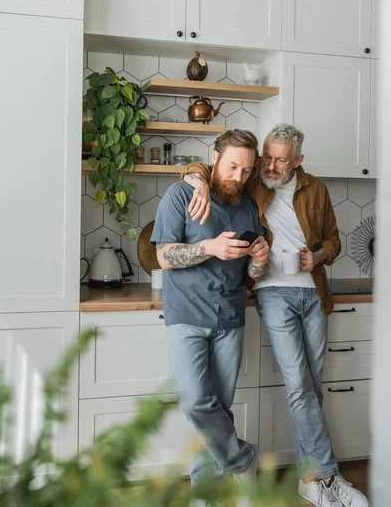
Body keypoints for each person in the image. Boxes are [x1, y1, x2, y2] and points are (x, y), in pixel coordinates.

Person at [181, 123, 370, 507]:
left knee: (311, 390)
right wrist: (196, 180)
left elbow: (334, 239)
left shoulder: (316, 188)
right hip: (271, 292)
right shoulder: (252, 183)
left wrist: (317, 256)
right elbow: (209, 167)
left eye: (279, 159)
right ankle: (328, 475)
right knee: (300, 387)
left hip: (314, 293)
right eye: (266, 156)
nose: (269, 165)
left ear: (298, 160)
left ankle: (309, 479)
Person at [150, 130, 270, 507]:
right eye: (232, 166)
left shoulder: (248, 206)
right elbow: (164, 257)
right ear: (214, 157)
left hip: (231, 317)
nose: (238, 176)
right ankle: (242, 460)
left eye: (246, 170)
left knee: (217, 410)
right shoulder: (182, 195)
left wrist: (259, 262)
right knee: (197, 403)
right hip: (187, 315)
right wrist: (210, 247)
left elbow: (251, 276)